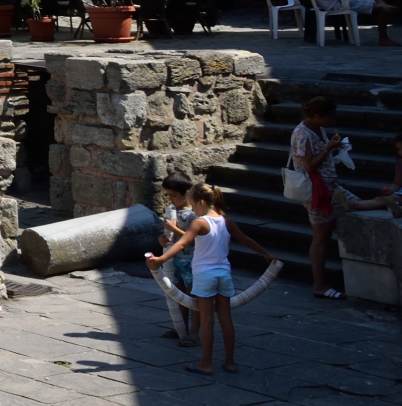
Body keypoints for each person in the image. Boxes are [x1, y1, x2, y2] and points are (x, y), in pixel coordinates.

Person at [146, 182, 278, 374]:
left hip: (204, 276)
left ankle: (206, 363)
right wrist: (266, 253)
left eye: (193, 205)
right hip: (224, 275)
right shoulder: (226, 221)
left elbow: (183, 243)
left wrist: (161, 259)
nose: (193, 210)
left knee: (207, 320)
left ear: (201, 202)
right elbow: (246, 240)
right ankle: (230, 362)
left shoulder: (199, 222)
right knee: (226, 319)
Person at [291, 95, 392, 298]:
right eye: (329, 118)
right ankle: (319, 285)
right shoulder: (302, 134)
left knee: (351, 208)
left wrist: (334, 147)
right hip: (317, 191)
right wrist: (329, 147)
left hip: (330, 185)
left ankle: (387, 202)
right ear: (318, 116)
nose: (332, 122)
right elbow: (308, 165)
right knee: (321, 237)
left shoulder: (317, 128)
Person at [157, 174, 199, 346]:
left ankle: (194, 333)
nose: (170, 199)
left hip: (191, 262)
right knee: (179, 295)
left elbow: (195, 239)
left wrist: (174, 228)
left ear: (186, 194)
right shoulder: (173, 211)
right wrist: (162, 239)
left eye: (173, 195)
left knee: (194, 298)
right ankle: (180, 326)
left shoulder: (194, 214)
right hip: (175, 262)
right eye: (168, 195)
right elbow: (169, 236)